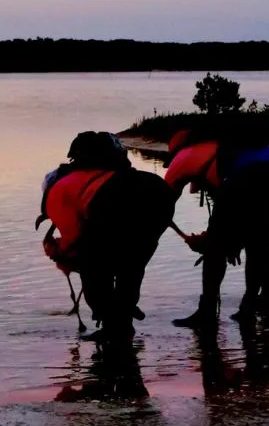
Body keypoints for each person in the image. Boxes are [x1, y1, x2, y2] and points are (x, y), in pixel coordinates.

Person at [164, 127, 269, 328]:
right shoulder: (228, 150)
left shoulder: (184, 158)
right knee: (256, 242)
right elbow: (235, 216)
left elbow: (162, 201)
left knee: (217, 249)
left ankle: (208, 312)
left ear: (177, 150)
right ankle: (256, 304)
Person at [40, 131, 174, 341]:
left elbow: (74, 241)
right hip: (159, 193)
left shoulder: (58, 191)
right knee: (130, 264)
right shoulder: (102, 174)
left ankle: (114, 327)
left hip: (113, 200)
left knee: (94, 270)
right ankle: (124, 316)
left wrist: (58, 252)